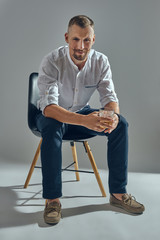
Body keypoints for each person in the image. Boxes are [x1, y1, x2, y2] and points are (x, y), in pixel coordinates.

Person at [36, 15, 145, 225]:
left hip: (80, 112)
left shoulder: (100, 61)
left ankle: (118, 194)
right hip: (52, 115)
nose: (81, 46)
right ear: (67, 38)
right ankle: (52, 200)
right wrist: (85, 121)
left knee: (121, 125)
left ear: (93, 40)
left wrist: (111, 116)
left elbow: (110, 99)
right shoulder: (52, 60)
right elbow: (49, 108)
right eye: (76, 39)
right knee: (51, 128)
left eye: (86, 40)